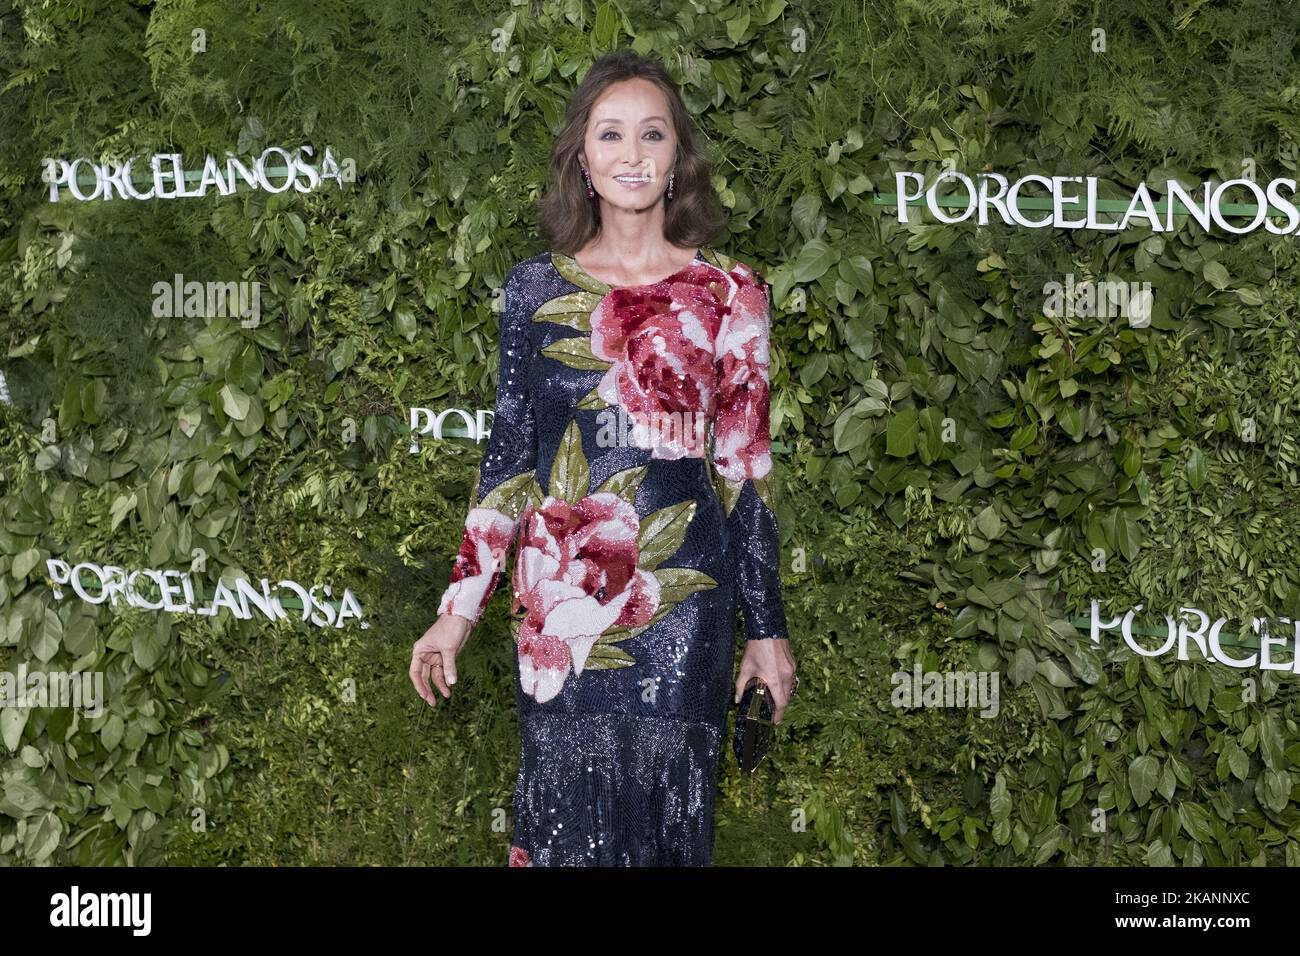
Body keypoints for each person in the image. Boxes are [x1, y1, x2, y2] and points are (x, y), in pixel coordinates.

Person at [409, 49, 797, 866]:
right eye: (611, 134)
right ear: (582, 161)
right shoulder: (533, 293)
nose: (632, 153)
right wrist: (457, 611)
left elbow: (742, 470)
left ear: (675, 159)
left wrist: (767, 629)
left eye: (651, 135)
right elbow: (511, 463)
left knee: (666, 816)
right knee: (561, 817)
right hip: (559, 606)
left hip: (685, 603)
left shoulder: (732, 292)